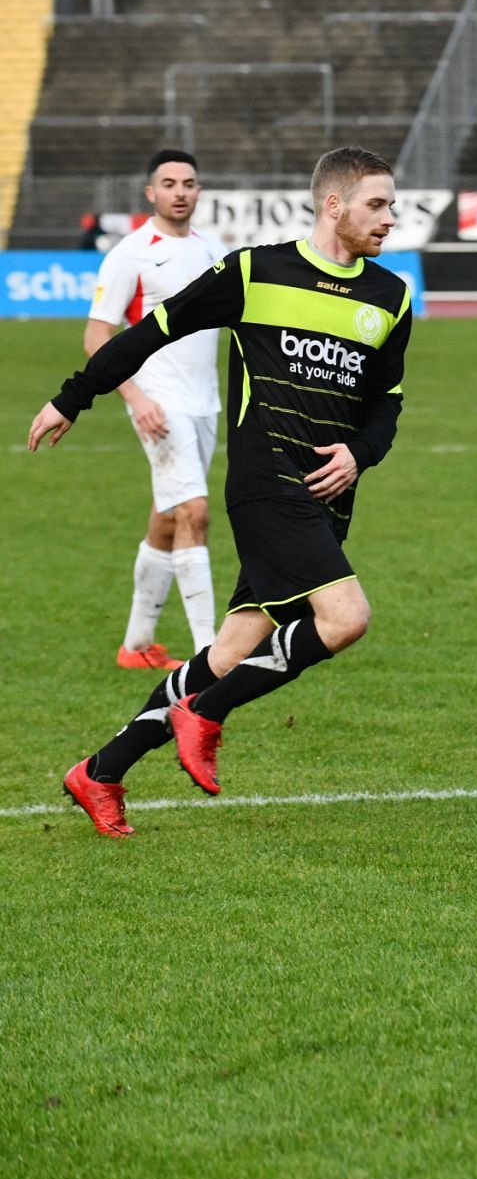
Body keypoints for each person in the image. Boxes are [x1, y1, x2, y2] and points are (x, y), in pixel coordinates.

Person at [30, 147, 415, 840]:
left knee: (229, 652)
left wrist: (361, 454)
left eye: (391, 204)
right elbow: (149, 334)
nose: (390, 217)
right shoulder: (253, 272)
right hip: (265, 483)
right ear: (334, 204)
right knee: (345, 617)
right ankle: (205, 714)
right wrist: (73, 397)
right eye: (377, 204)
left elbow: (386, 404)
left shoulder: (391, 296)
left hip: (327, 499)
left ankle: (101, 771)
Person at [86, 150, 227, 670]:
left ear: (198, 191)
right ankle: (212, 655)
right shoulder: (131, 254)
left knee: (169, 517)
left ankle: (137, 645)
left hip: (205, 402)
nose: (179, 192)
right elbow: (96, 337)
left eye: (188, 183)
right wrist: (137, 398)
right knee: (195, 512)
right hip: (159, 403)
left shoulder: (213, 251)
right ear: (151, 193)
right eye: (168, 183)